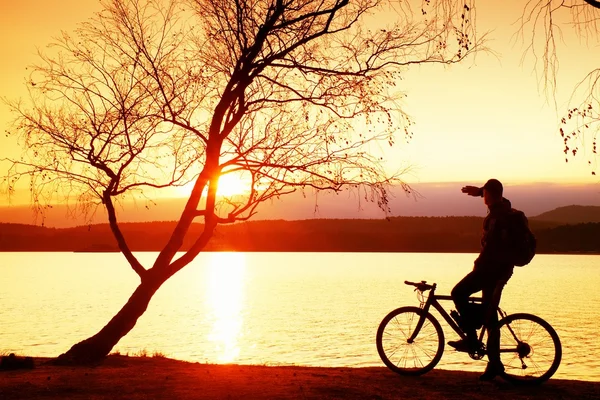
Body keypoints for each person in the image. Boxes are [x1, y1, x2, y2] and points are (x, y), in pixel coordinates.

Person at [448, 178, 515, 381]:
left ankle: (470, 337)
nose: (482, 197)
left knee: (457, 293)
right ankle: (495, 364)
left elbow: (490, 249)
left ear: (490, 195)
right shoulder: (505, 208)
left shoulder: (496, 217)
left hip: (489, 270)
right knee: (490, 317)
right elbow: (503, 199)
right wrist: (480, 192)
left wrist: (478, 266)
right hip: (501, 270)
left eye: (485, 193)